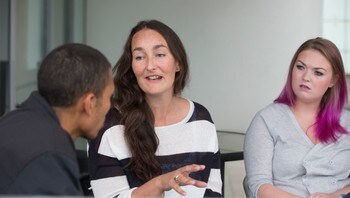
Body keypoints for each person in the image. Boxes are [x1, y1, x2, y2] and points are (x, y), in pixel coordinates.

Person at [88, 20, 222, 198]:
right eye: (140, 57)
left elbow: (213, 193)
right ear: (131, 67)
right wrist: (160, 184)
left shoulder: (201, 118)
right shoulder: (108, 124)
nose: (150, 66)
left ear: (178, 64)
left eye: (159, 54)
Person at [0, 43, 115, 195]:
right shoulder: (48, 159)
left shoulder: (14, 121)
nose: (110, 106)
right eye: (109, 97)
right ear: (90, 103)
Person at [244, 37, 350, 198]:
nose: (306, 77)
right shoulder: (266, 120)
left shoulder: (347, 122)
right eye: (300, 67)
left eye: (318, 72)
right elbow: (258, 185)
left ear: (333, 80)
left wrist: (334, 196)